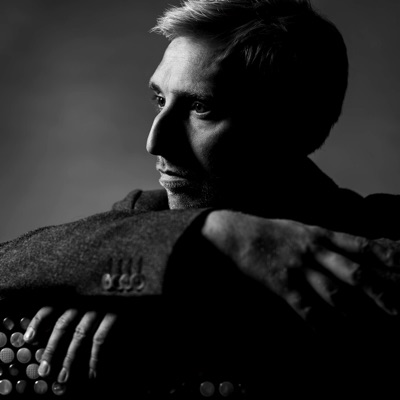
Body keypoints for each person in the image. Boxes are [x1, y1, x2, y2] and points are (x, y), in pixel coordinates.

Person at [1, 0, 400, 397]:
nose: (155, 141)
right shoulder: (148, 219)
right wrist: (217, 233)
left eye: (201, 107)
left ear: (295, 126)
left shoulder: (382, 234)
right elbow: (9, 265)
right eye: (160, 100)